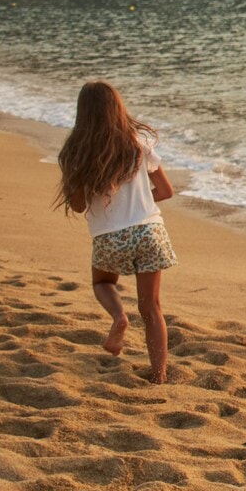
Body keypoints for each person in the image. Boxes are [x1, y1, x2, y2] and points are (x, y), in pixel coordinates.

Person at [54, 81, 177, 384]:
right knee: (151, 308)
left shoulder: (76, 152)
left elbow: (80, 206)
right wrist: (141, 202)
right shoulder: (139, 143)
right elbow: (165, 191)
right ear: (118, 107)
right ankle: (159, 375)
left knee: (103, 282)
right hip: (150, 232)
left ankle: (119, 317)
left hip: (110, 236)